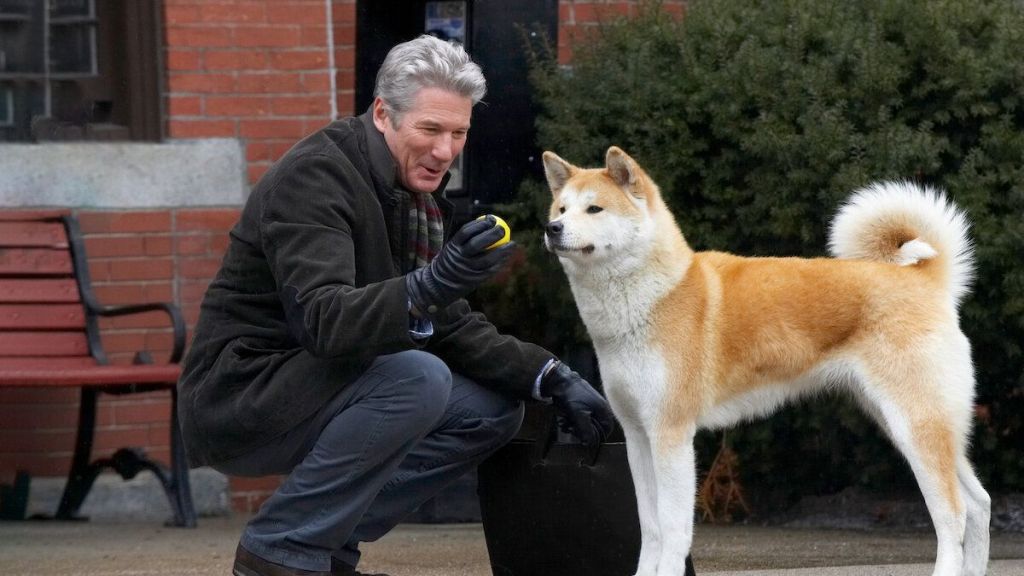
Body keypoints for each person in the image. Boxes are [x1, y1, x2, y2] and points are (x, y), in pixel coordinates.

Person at [177, 35, 615, 576]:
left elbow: (448, 324)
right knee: (416, 377)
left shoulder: (413, 192)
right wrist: (429, 285)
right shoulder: (317, 176)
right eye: (430, 130)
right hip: (243, 398)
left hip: (321, 389)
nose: (445, 151)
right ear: (383, 114)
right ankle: (281, 552)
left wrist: (550, 376)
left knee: (491, 410)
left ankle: (327, 546)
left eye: (459, 133)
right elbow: (326, 323)